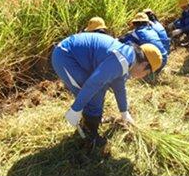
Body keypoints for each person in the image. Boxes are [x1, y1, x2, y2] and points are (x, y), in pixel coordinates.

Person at [51, 20, 163, 150]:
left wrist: (124, 112)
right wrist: (75, 109)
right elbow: (94, 82)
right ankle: (90, 134)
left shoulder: (128, 58)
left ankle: (90, 121)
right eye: (147, 73)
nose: (143, 77)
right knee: (93, 92)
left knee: (99, 90)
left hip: (76, 57)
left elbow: (119, 87)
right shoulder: (121, 60)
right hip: (65, 57)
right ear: (144, 65)